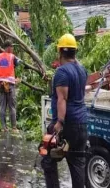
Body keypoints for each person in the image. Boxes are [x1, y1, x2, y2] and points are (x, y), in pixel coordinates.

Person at [41, 33, 88, 188]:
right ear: (75, 52)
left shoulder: (61, 72)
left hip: (67, 124)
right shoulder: (82, 70)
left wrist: (59, 123)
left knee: (48, 160)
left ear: (60, 52)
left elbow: (62, 98)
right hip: (81, 124)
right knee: (77, 165)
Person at [0, 40, 21, 132]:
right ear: (8, 47)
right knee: (12, 106)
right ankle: (14, 127)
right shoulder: (12, 57)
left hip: (1, 84)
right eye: (12, 47)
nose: (13, 48)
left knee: (2, 106)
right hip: (10, 84)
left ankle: (3, 127)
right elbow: (18, 62)